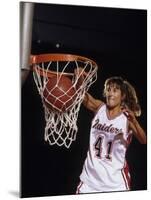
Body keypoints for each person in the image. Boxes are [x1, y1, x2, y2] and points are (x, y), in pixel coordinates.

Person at [76, 75, 147, 193]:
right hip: (89, 180)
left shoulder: (126, 118)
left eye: (115, 90)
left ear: (122, 96)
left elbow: (144, 140)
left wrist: (134, 121)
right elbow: (82, 95)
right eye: (108, 89)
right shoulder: (99, 108)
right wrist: (80, 80)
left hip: (115, 183)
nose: (110, 93)